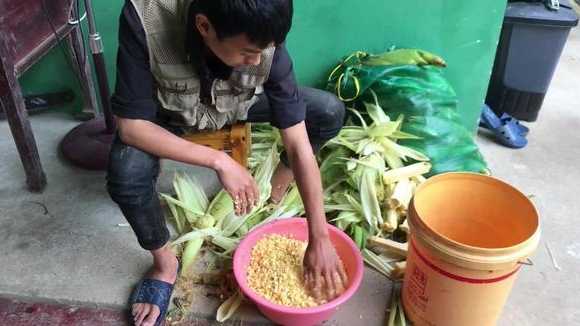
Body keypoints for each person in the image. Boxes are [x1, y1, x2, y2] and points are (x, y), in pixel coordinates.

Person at [107, 0, 347, 325]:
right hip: (169, 111)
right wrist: (219, 160)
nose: (257, 60)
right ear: (204, 26)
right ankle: (164, 265)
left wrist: (319, 236)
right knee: (126, 175)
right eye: (248, 52)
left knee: (328, 111)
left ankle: (279, 181)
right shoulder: (145, 16)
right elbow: (131, 127)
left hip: (236, 101)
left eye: (265, 50)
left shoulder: (261, 23)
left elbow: (298, 142)